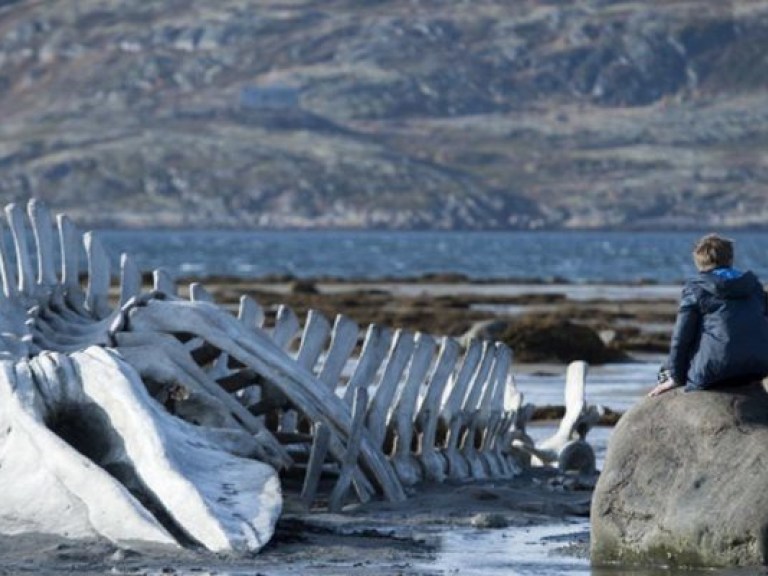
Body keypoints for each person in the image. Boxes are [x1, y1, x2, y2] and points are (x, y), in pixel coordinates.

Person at [648, 233, 768, 397]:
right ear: (731, 259)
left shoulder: (696, 288)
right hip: (758, 367)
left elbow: (681, 338)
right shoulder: (753, 285)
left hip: (716, 372)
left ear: (698, 263)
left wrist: (675, 377)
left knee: (665, 369)